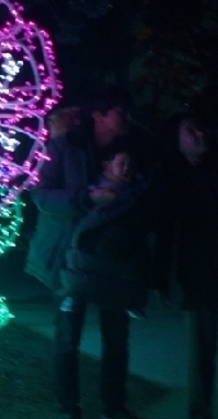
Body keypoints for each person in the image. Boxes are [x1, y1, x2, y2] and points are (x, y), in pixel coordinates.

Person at [25, 86, 154, 419]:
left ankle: (114, 409)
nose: (126, 118)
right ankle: (68, 413)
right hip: (71, 260)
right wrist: (86, 197)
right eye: (119, 111)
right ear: (99, 115)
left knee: (117, 338)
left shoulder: (130, 149)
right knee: (68, 339)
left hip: (115, 264)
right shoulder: (65, 146)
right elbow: (40, 195)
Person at [154, 113, 218, 419]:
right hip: (198, 275)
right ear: (176, 142)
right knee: (201, 351)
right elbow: (165, 232)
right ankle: (198, 417)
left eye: (201, 129)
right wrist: (162, 279)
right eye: (190, 131)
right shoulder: (173, 179)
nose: (199, 135)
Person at [59, 136, 150, 321]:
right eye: (122, 163)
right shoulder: (95, 193)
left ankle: (127, 300)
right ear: (107, 165)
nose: (127, 169)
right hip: (91, 251)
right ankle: (75, 294)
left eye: (130, 164)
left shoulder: (137, 193)